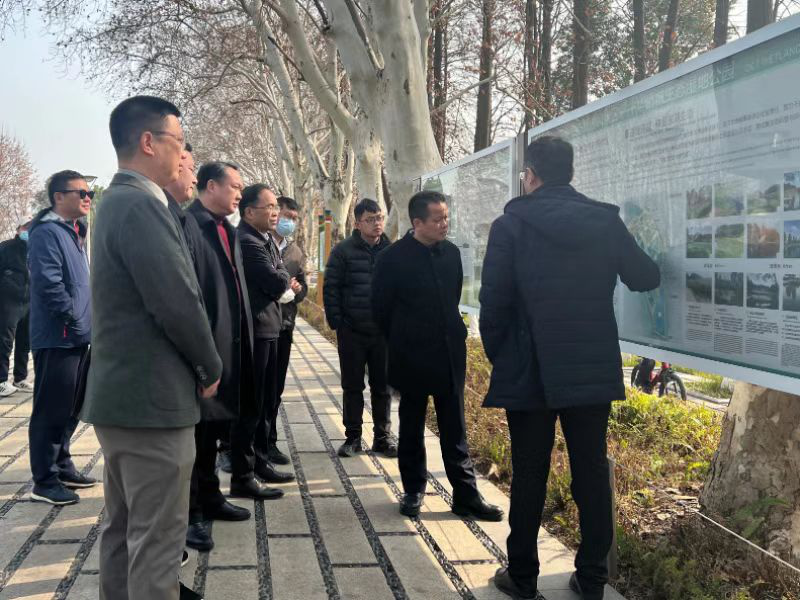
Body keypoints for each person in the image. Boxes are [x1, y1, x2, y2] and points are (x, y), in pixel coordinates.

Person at [479, 136, 660, 600]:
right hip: (590, 365)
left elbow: (493, 305)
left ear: (531, 175)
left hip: (530, 367)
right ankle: (593, 579)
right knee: (591, 472)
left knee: (529, 472)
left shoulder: (510, 225)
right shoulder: (605, 222)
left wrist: (505, 358)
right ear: (570, 173)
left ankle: (522, 577)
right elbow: (645, 276)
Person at [81, 95, 222, 600]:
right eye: (178, 142)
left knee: (124, 529)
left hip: (125, 401)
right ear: (148, 141)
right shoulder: (141, 205)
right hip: (152, 404)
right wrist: (209, 365)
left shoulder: (118, 201)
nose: (183, 154)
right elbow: (177, 301)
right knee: (158, 540)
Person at [372, 191, 502, 521]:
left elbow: (452, 298)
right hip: (410, 355)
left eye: (446, 217)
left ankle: (466, 495)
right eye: (438, 219)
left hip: (448, 354)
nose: (445, 224)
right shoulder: (391, 258)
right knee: (412, 425)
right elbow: (380, 310)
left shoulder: (452, 254)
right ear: (417, 222)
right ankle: (413, 490)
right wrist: (403, 337)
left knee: (455, 427)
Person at [27, 171, 96, 505]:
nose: (87, 198)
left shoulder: (74, 231)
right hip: (58, 336)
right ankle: (44, 480)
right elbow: (48, 282)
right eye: (81, 192)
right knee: (51, 409)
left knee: (70, 407)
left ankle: (62, 466)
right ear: (58, 197)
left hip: (78, 334)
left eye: (89, 192)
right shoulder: (46, 233)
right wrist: (72, 315)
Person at [233, 183, 295, 487]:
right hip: (255, 331)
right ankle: (244, 472)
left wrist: (281, 275)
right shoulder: (247, 241)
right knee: (252, 404)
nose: (275, 213)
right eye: (269, 207)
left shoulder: (264, 239)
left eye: (275, 207)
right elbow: (277, 280)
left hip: (270, 328)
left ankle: (260, 461)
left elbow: (281, 274)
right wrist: (283, 277)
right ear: (249, 212)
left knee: (265, 400)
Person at [323, 198, 396, 458]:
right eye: (370, 219)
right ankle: (353, 437)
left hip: (383, 334)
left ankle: (383, 438)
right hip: (352, 332)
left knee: (383, 387)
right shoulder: (342, 251)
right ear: (357, 223)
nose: (377, 223)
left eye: (379, 218)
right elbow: (331, 288)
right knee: (352, 386)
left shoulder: (392, 251)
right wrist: (337, 322)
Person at [269, 195, 307, 466]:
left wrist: (297, 289)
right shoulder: (259, 244)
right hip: (259, 325)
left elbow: (302, 289)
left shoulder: (295, 252)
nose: (289, 222)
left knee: (276, 388)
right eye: (286, 217)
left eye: (294, 219)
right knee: (256, 388)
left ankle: (269, 441)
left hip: (284, 325)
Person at [0, 217, 33, 396]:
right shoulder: (6, 248)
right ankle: (1, 381)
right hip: (8, 303)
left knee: (24, 342)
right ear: (18, 229)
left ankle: (20, 378)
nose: (29, 230)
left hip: (28, 302)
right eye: (26, 227)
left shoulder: (36, 249)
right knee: (4, 341)